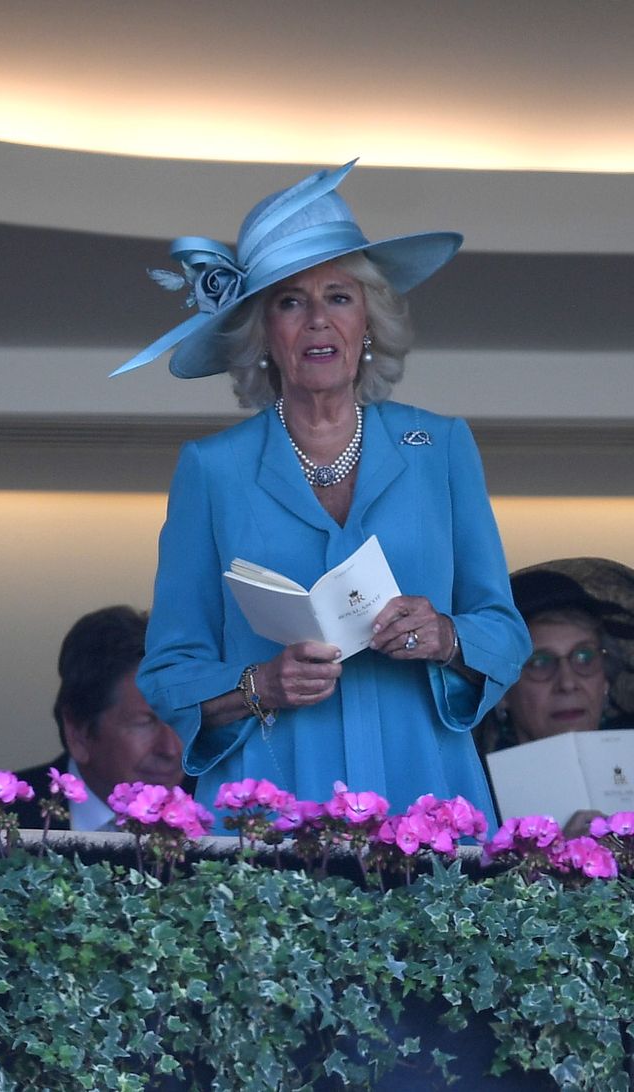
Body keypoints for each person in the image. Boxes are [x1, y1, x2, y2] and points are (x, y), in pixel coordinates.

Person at [112, 161, 528, 819]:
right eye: (290, 301)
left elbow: (505, 632)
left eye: (339, 296)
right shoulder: (212, 468)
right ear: (262, 335)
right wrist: (259, 686)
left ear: (369, 322)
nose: (317, 320)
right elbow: (170, 671)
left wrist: (446, 636)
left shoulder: (440, 447)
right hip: (272, 793)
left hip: (424, 788)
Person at [0, 606, 186, 831]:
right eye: (144, 722)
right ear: (78, 733)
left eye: (181, 718)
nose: (172, 749)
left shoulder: (217, 814)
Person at [481, 562, 634, 754]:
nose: (567, 684)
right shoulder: (467, 782)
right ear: (501, 693)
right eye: (540, 663)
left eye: (584, 657)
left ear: (605, 681)